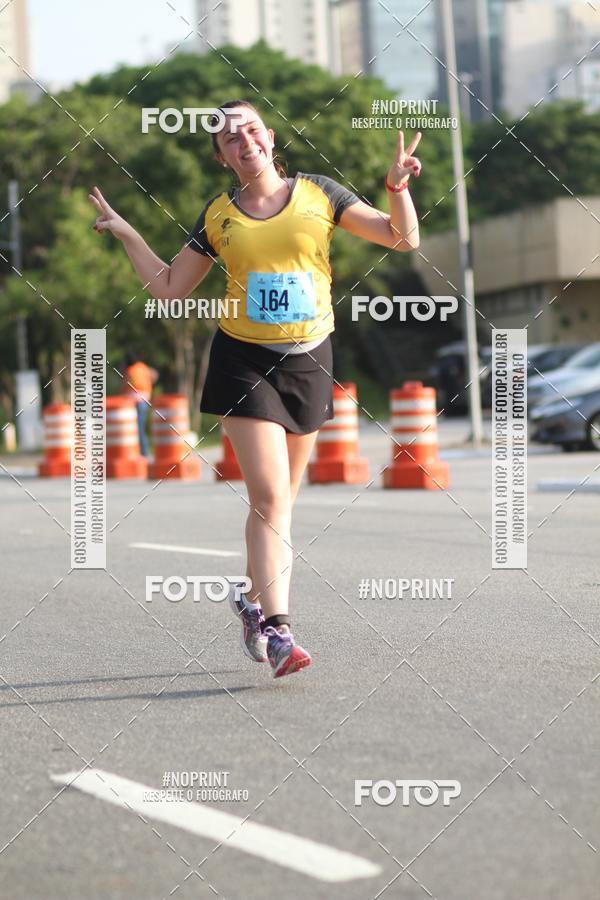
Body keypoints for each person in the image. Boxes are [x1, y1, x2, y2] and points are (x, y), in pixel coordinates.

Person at [88, 99, 422, 678]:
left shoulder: (320, 194)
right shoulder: (219, 215)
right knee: (268, 499)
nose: (244, 141)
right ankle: (279, 628)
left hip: (310, 359)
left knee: (281, 507)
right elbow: (170, 288)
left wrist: (395, 187)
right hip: (243, 361)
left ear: (269, 135)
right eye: (230, 139)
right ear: (222, 157)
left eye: (250, 130)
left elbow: (402, 239)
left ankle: (249, 602)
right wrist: (128, 234)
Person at [122, 350, 158, 456]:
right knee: (141, 428)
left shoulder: (130, 370)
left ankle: (143, 454)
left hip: (134, 403)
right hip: (145, 400)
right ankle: (144, 452)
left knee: (138, 429)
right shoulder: (143, 367)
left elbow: (124, 385)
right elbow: (155, 375)